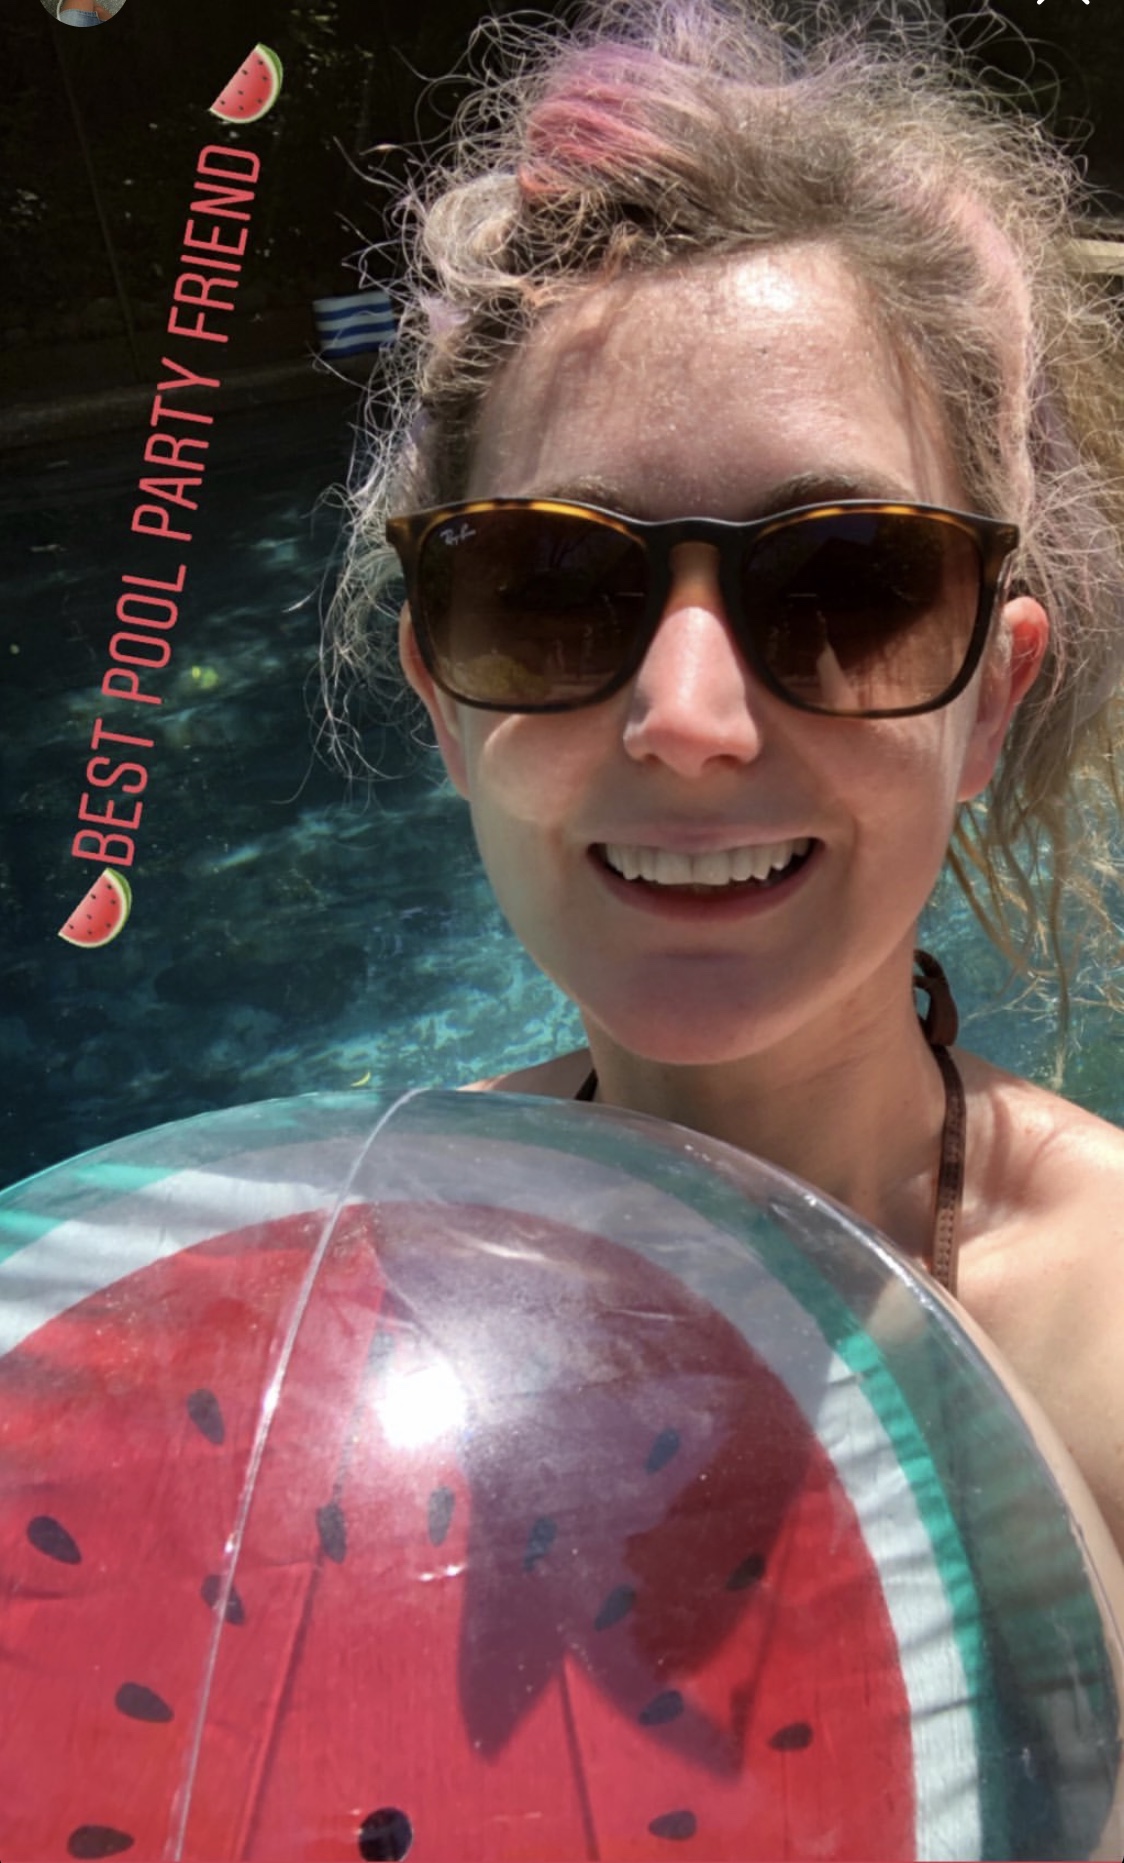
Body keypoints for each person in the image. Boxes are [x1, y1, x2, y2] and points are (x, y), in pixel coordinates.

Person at [326, 0, 1124, 1554]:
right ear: (440, 693)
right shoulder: (331, 1278)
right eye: (548, 589)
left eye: (849, 585)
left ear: (992, 699)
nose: (688, 717)